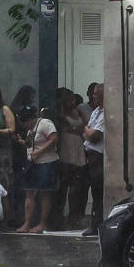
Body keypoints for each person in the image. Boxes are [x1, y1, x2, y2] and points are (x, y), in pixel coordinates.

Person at [17, 101, 61, 232]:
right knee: (29, 193)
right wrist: (24, 143)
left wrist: (40, 151)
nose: (25, 126)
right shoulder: (31, 129)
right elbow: (32, 143)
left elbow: (54, 139)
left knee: (44, 194)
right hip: (33, 163)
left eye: (25, 122)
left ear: (31, 119)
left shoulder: (45, 124)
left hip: (46, 163)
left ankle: (43, 223)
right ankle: (27, 223)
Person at [52, 88, 86, 228]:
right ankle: (58, 219)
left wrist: (77, 130)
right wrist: (77, 130)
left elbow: (83, 127)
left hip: (78, 149)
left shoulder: (78, 112)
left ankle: (74, 218)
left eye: (74, 99)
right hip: (66, 150)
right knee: (62, 188)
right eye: (70, 99)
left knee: (76, 189)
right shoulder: (60, 114)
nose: (73, 102)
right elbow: (65, 128)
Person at [78, 81, 106, 223]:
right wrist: (87, 131)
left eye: (97, 95)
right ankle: (94, 222)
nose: (93, 97)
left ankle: (97, 223)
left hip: (98, 155)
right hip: (89, 153)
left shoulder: (105, 113)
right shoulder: (96, 111)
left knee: (98, 190)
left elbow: (94, 136)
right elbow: (86, 131)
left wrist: (87, 130)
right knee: (91, 189)